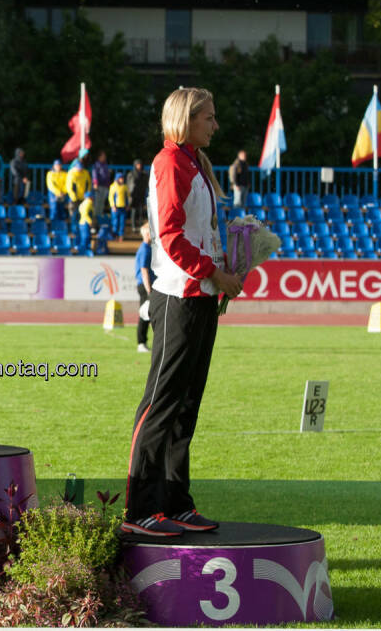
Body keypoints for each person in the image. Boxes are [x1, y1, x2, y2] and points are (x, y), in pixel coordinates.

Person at [123, 87, 243, 537]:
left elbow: (197, 230)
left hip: (201, 295)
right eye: (208, 118)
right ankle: (139, 510)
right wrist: (213, 270)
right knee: (161, 402)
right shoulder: (171, 162)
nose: (215, 125)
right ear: (186, 119)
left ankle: (175, 501)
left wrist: (224, 268)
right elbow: (170, 236)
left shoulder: (194, 162)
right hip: (177, 295)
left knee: (186, 405)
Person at [134, 221, 155, 353]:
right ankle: (141, 342)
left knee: (148, 313)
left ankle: (144, 342)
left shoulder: (147, 248)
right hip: (145, 286)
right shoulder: (145, 249)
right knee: (145, 314)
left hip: (147, 285)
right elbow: (144, 270)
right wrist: (149, 290)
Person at [127, 159, 148, 230]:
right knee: (134, 211)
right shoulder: (131, 174)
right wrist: (130, 195)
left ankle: (140, 225)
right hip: (134, 195)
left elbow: (146, 184)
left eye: (140, 164)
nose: (139, 166)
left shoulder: (144, 174)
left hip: (141, 194)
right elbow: (129, 185)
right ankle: (133, 226)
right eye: (137, 164)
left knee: (141, 211)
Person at [109, 173, 129, 241]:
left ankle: (121, 235)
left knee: (122, 222)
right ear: (117, 179)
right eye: (120, 178)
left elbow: (127, 197)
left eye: (122, 178)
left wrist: (127, 205)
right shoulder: (113, 186)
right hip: (116, 208)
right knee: (115, 222)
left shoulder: (125, 187)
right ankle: (115, 235)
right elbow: (111, 197)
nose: (122, 180)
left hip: (123, 207)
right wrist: (113, 206)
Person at [91, 150, 112, 217]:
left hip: (105, 186)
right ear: (99, 157)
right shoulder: (96, 165)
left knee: (102, 203)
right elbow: (95, 174)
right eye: (103, 156)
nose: (104, 157)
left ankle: (99, 217)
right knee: (97, 203)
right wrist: (95, 183)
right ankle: (95, 218)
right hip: (99, 186)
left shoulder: (105, 164)